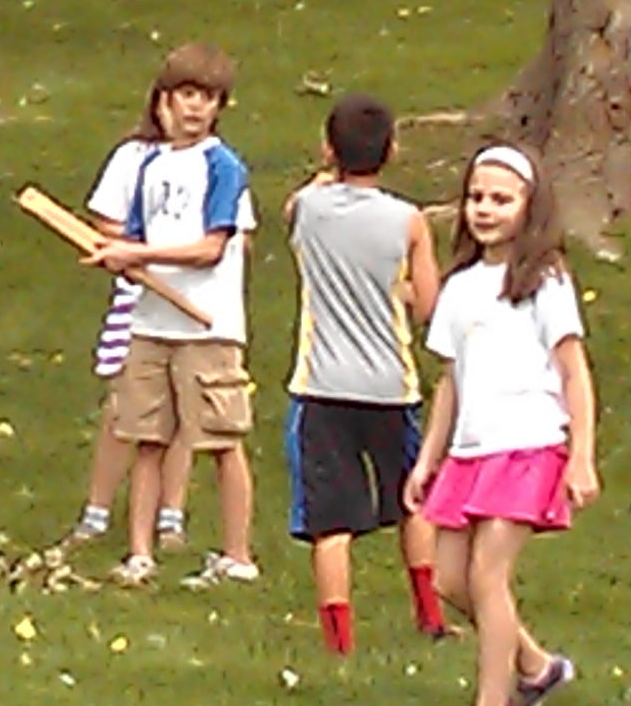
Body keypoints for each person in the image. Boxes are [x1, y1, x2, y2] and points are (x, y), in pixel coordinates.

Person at [404, 142, 598, 706]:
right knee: (451, 580)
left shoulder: (544, 281)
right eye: (476, 198)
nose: (485, 209)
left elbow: (574, 372)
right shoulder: (460, 287)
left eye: (501, 199)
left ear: (529, 207)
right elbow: (451, 381)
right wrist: (429, 459)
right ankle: (537, 667)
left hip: (528, 444)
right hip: (471, 451)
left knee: (489, 576)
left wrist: (581, 455)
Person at [85, 43, 258, 588]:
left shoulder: (223, 166)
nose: (195, 107)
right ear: (164, 101)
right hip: (150, 324)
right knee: (148, 438)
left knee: (222, 440)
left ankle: (238, 556)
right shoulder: (149, 165)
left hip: (208, 326)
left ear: (220, 107)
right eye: (186, 94)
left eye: (208, 97)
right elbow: (135, 239)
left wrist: (137, 253)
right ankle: (141, 553)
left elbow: (210, 248)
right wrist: (121, 257)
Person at [281, 94, 448, 654]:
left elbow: (294, 206)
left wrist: (326, 171)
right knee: (412, 500)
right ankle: (429, 614)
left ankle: (339, 639)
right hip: (390, 386)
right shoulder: (408, 221)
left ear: (328, 148)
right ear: (392, 150)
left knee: (331, 523)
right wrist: (398, 291)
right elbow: (428, 305)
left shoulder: (307, 209)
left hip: (322, 387)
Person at [60, 102, 194, 553]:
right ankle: (96, 513)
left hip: (189, 298)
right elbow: (105, 219)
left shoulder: (211, 161)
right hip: (139, 300)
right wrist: (139, 249)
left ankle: (170, 516)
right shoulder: (134, 156)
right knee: (124, 407)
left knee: (184, 407)